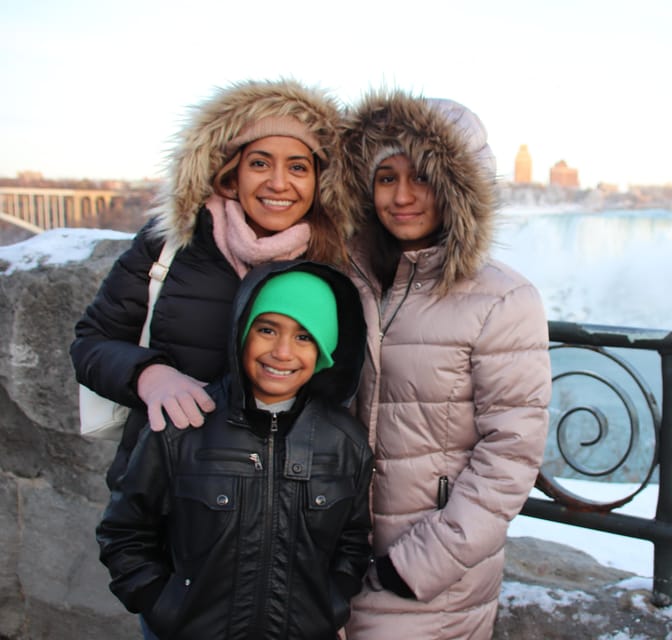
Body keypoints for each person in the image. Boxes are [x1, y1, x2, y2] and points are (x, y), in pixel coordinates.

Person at [334, 90, 552, 639]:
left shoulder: (503, 299)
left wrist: (420, 564)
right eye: (387, 177)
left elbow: (510, 456)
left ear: (458, 188)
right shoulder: (347, 278)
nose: (402, 196)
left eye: (423, 177)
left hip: (428, 579)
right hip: (331, 563)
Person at [71, 79, 350, 491]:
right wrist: (150, 376)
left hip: (283, 503)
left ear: (319, 183)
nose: (278, 183)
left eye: (297, 167)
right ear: (230, 176)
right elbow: (91, 343)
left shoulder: (333, 264)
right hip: (169, 489)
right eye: (259, 163)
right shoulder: (171, 245)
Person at [96, 260, 373, 639]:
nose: (282, 351)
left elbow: (353, 540)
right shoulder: (185, 426)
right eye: (267, 329)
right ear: (243, 332)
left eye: (304, 336)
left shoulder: (345, 442)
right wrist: (163, 605)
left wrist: (331, 601)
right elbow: (125, 531)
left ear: (324, 350)